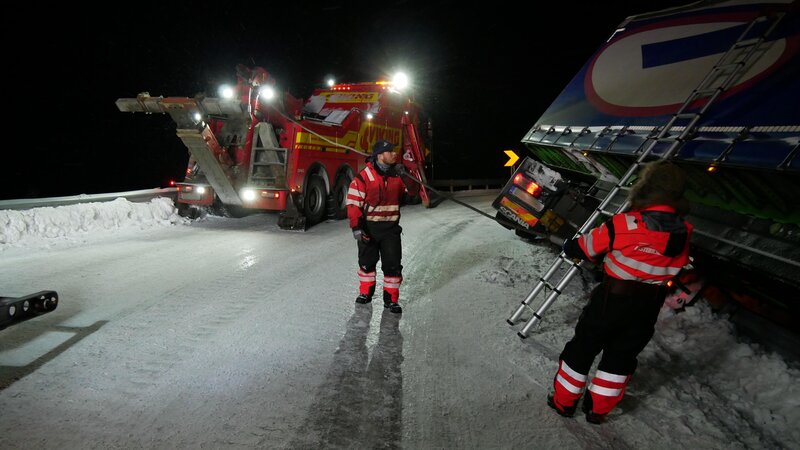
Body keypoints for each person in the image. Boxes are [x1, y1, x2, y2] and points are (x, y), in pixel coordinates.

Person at [547, 160, 693, 424]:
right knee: (621, 357)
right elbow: (674, 263)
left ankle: (564, 403)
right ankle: (597, 411)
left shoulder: (624, 224)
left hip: (611, 300)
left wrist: (570, 246)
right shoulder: (684, 233)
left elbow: (587, 248)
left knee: (582, 349)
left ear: (645, 189)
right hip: (648, 306)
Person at [347, 140, 419, 314]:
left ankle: (391, 300)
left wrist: (407, 175)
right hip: (369, 229)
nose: (394, 154)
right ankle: (365, 294)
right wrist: (357, 227)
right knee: (366, 264)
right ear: (380, 155)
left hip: (391, 230)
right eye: (389, 152)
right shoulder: (364, 177)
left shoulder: (398, 175)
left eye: (393, 151)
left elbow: (414, 193)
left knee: (393, 266)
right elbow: (353, 204)